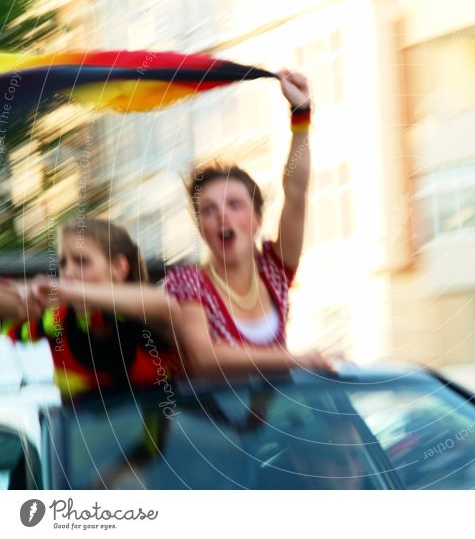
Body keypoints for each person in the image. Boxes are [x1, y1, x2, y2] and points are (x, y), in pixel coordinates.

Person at [164, 69, 332, 377]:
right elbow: (205, 357)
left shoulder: (274, 270)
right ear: (202, 229)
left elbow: (295, 192)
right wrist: (294, 360)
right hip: (211, 425)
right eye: (209, 210)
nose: (222, 216)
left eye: (234, 205)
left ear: (257, 219)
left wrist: (301, 117)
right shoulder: (189, 284)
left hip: (274, 422)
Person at [0, 218, 179, 396]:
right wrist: (26, 294)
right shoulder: (56, 319)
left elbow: (166, 305)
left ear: (119, 267)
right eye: (63, 263)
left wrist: (73, 292)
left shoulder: (146, 314)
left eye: (81, 261)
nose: (67, 273)